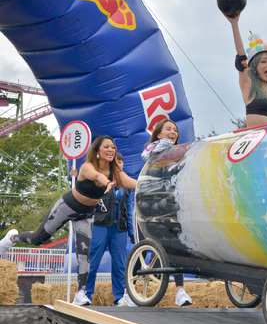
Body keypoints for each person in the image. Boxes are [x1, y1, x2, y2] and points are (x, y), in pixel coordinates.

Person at [0, 135, 137, 305]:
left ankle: (80, 293)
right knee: (38, 239)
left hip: (86, 214)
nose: (111, 150)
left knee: (83, 254)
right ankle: (11, 239)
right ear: (97, 152)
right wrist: (107, 182)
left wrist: (151, 184)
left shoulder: (116, 173)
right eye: (107, 147)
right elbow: (96, 177)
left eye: (113, 147)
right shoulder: (87, 167)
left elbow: (133, 183)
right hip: (67, 207)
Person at [141, 118, 192, 307]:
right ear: (159, 133)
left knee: (176, 247)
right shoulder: (152, 154)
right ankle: (132, 289)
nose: (173, 132)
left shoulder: (180, 154)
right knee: (149, 250)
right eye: (168, 129)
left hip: (172, 205)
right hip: (150, 206)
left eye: (176, 130)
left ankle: (180, 291)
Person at [84, 152, 136, 307]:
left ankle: (120, 296)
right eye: (116, 161)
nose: (119, 164)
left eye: (121, 162)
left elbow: (129, 208)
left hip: (119, 229)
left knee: (120, 264)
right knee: (93, 261)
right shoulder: (98, 179)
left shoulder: (126, 186)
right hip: (100, 226)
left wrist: (132, 231)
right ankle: (86, 294)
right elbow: (82, 194)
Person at [224, 12, 267, 127]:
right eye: (263, 61)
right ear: (254, 67)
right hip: (257, 141)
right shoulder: (249, 86)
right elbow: (241, 57)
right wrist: (234, 23)